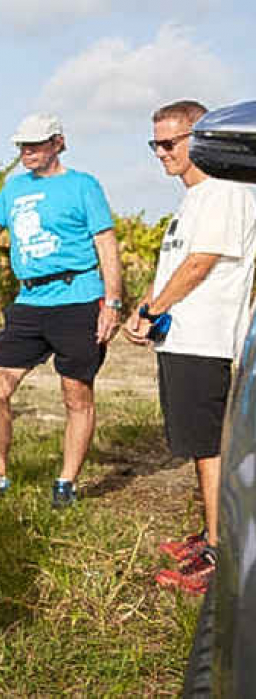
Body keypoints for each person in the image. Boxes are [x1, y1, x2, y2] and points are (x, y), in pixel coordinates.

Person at [0, 113, 122, 509]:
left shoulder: (83, 185)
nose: (27, 152)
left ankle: (66, 482)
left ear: (58, 143)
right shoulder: (14, 190)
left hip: (77, 297)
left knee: (75, 394)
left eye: (36, 144)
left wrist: (111, 302)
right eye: (22, 146)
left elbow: (107, 244)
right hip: (29, 302)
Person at [123, 100, 256, 595]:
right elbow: (177, 267)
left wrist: (153, 310)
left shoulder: (224, 191)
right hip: (184, 337)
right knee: (201, 447)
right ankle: (210, 535)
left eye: (169, 142)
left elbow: (201, 264)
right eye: (154, 142)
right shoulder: (193, 198)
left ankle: (220, 556)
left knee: (210, 450)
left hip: (209, 340)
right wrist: (146, 312)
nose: (160, 152)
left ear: (202, 138)